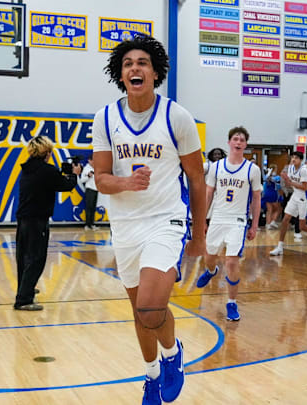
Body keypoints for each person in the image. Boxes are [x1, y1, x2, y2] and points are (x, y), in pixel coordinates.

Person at [91, 35, 206, 405]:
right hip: (125, 226)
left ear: (155, 72)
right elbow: (101, 178)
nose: (135, 68)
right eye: (127, 64)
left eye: (142, 62)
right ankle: (152, 375)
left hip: (165, 220)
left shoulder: (177, 116)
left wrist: (199, 234)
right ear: (120, 75)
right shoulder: (106, 117)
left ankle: (173, 355)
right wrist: (126, 182)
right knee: (138, 312)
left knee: (150, 307)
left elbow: (198, 180)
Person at [196, 127, 261, 321]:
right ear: (229, 142)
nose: (238, 142)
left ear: (246, 144)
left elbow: (256, 198)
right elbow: (208, 194)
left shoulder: (252, 169)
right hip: (218, 217)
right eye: (235, 139)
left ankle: (231, 303)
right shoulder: (216, 167)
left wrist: (254, 224)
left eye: (242, 139)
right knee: (209, 256)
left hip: (238, 221)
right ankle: (211, 271)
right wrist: (201, 220)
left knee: (232, 262)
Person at [14, 135, 80, 311]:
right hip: (37, 220)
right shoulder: (46, 170)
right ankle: (23, 299)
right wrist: (73, 175)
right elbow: (66, 186)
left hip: (23, 218)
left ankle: (25, 289)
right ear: (47, 152)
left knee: (23, 257)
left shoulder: (27, 168)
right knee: (36, 259)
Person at [269, 151, 307, 256]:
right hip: (295, 196)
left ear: (301, 160)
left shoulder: (304, 170)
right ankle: (280, 246)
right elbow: (290, 184)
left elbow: (304, 187)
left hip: (305, 198)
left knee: (302, 226)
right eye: (292, 157)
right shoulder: (290, 168)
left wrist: (290, 182)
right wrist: (286, 180)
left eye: (296, 157)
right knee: (285, 220)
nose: (293, 159)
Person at [80, 154, 99, 230]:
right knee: (89, 207)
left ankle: (92, 224)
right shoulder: (86, 169)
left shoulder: (96, 168)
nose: (94, 162)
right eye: (93, 160)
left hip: (96, 189)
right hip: (89, 189)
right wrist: (88, 176)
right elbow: (82, 180)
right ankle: (87, 225)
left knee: (93, 208)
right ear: (89, 160)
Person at [263, 163, 282, 229]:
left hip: (266, 193)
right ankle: (272, 222)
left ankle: (268, 224)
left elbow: (266, 180)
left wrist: (268, 175)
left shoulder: (266, 176)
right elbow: (279, 187)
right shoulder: (277, 177)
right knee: (278, 209)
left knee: (269, 210)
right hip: (274, 194)